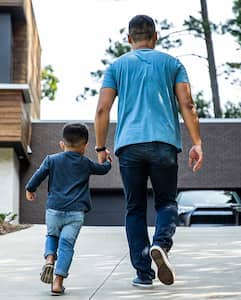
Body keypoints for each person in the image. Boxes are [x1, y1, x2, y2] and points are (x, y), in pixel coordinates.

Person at [94, 15, 203, 288]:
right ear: (156, 37)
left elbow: (102, 110)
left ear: (129, 39)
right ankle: (161, 245)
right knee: (166, 202)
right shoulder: (172, 63)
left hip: (129, 146)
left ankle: (143, 274)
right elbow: (187, 104)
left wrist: (99, 147)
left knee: (135, 209)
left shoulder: (117, 67)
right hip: (164, 144)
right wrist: (197, 142)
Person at [25, 123, 111, 295]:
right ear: (85, 146)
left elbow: (38, 175)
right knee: (66, 245)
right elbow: (103, 170)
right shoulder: (86, 163)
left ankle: (49, 259)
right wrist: (106, 159)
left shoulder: (52, 160)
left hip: (54, 210)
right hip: (75, 213)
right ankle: (57, 283)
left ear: (62, 144)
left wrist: (30, 189)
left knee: (51, 235)